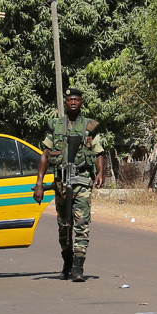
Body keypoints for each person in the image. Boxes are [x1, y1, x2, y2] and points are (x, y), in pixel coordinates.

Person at [33, 88, 105, 282]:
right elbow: (46, 155)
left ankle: (78, 267)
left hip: (81, 182)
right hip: (61, 183)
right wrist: (39, 183)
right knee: (64, 225)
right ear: (65, 102)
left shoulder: (89, 127)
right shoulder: (56, 126)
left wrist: (100, 173)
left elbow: (99, 152)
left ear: (81, 102)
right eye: (70, 99)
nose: (73, 102)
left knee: (82, 225)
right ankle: (67, 262)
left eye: (77, 99)